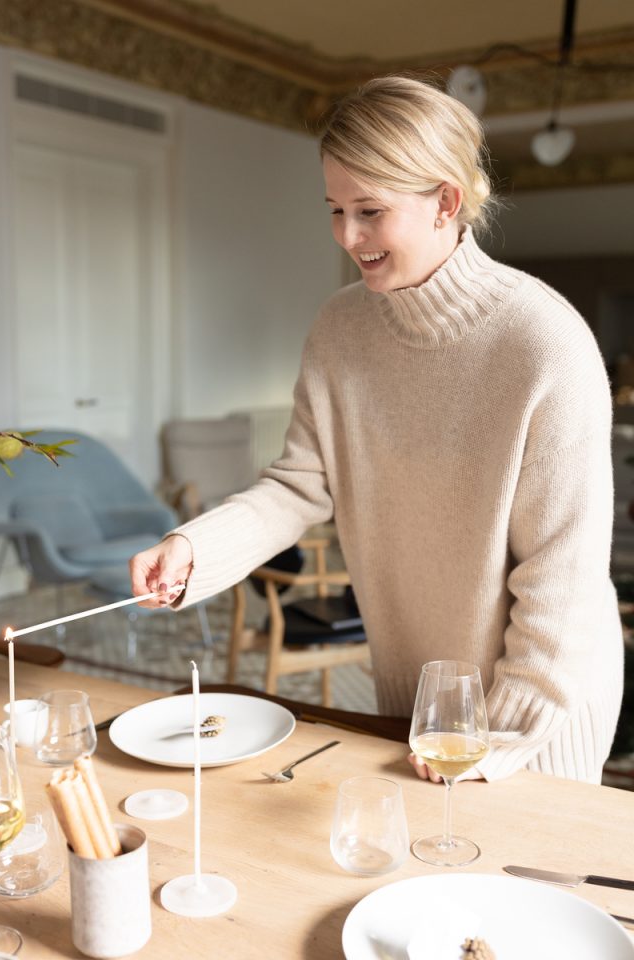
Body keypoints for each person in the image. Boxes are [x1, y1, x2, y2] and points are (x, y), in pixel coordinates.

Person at [130, 75, 623, 784]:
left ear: (446, 203)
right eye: (335, 208)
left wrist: (497, 737)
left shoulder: (545, 345)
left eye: (370, 210)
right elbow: (298, 487)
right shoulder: (340, 330)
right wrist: (190, 549)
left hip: (539, 714)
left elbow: (563, 579)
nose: (348, 236)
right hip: (420, 699)